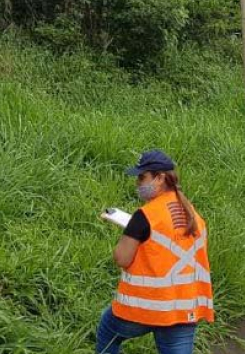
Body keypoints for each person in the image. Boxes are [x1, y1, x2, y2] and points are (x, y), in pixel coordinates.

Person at [97, 150, 214, 354]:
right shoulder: (193, 216)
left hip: (143, 309)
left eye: (142, 177)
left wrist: (129, 232)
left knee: (107, 331)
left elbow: (122, 258)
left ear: (160, 178)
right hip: (183, 311)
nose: (138, 184)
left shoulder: (145, 216)